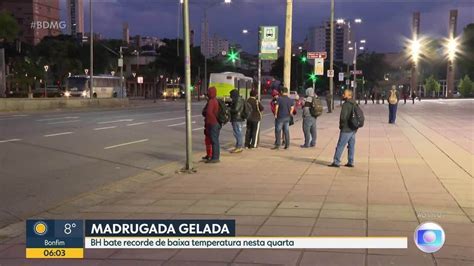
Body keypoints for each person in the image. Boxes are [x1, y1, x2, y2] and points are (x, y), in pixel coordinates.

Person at [329, 89, 358, 168]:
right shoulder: (354, 103)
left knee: (340, 145)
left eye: (344, 94)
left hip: (346, 128)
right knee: (351, 145)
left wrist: (341, 126)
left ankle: (336, 161)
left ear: (349, 95)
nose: (343, 95)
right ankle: (351, 161)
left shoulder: (346, 104)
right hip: (353, 128)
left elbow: (343, 117)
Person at [204, 87, 221, 163]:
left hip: (212, 123)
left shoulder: (211, 101)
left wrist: (209, 121)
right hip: (216, 123)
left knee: (214, 141)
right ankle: (215, 156)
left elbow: (209, 112)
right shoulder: (215, 100)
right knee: (215, 141)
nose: (208, 93)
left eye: (209, 92)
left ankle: (215, 158)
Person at [230, 89, 245, 153]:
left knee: (237, 133)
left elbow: (236, 109)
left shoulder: (238, 100)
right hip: (238, 118)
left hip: (237, 118)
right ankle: (238, 146)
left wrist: (229, 109)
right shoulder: (239, 99)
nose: (230, 96)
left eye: (231, 95)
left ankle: (239, 146)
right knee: (238, 132)